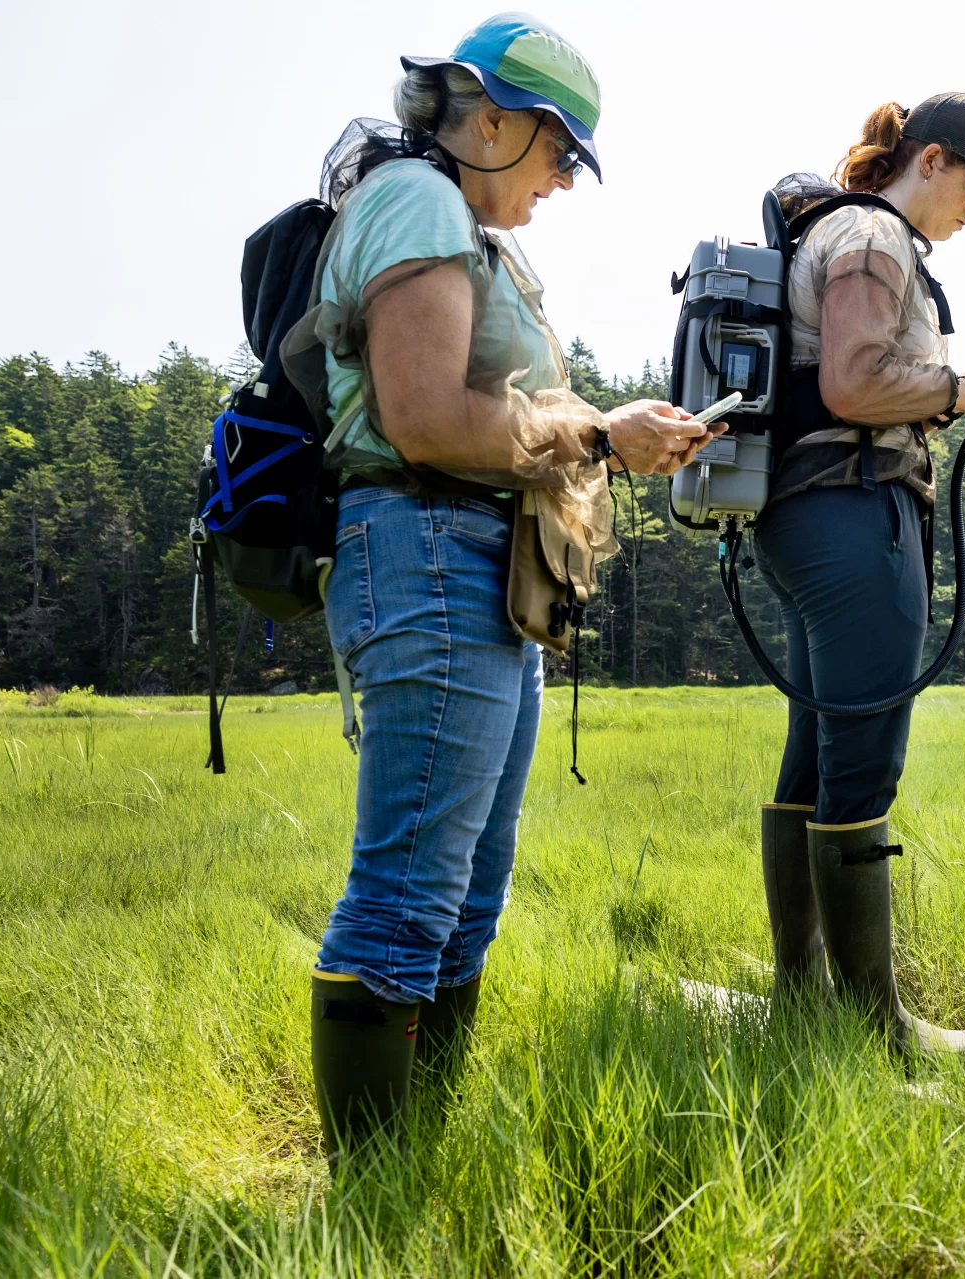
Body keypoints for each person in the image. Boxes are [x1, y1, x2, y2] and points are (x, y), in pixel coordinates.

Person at [306, 13, 708, 1157]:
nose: (561, 182)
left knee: (467, 892)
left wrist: (605, 437)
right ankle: (376, 1190)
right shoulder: (421, 201)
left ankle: (418, 1146)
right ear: (487, 118)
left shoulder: (459, 220)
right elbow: (427, 418)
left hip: (476, 567)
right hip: (430, 549)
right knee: (406, 894)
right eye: (556, 150)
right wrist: (599, 435)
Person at [755, 95, 965, 1062]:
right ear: (930, 159)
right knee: (863, 756)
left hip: (808, 517)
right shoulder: (873, 237)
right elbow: (852, 382)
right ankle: (876, 1026)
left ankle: (801, 1002)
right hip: (850, 514)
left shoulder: (852, 234)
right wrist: (962, 392)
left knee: (815, 756)